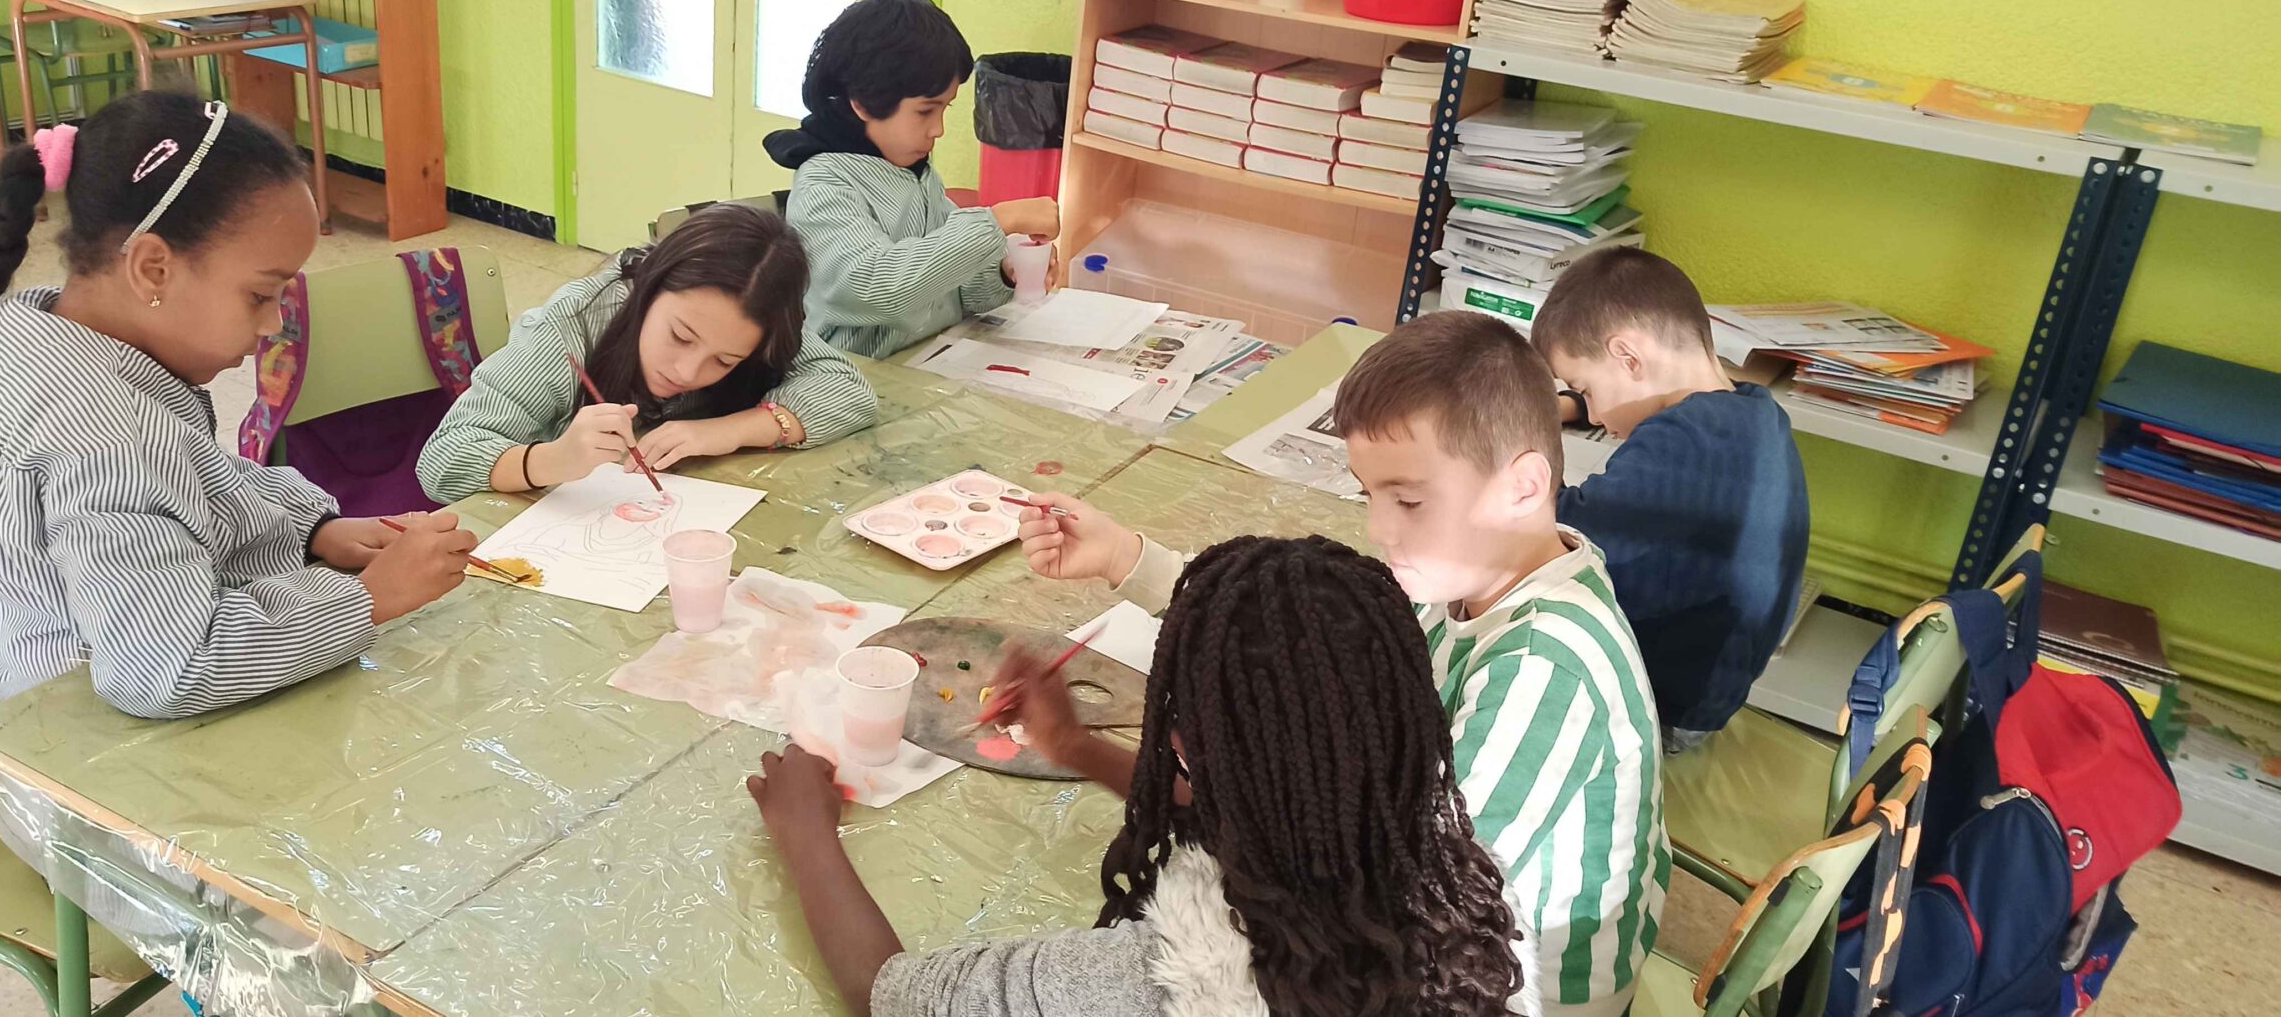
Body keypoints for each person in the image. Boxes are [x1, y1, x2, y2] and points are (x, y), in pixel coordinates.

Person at [1016, 312, 1669, 1017]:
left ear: (1523, 486)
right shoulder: (1478, 570)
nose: (1380, 530)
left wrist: (1093, 753)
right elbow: (1281, 632)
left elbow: (1382, 880)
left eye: (1408, 499)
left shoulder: (1545, 673)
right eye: (1369, 493)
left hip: (1519, 991)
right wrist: (1122, 556)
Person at [748, 536, 1538, 1017]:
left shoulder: (1146, 983)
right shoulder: (1466, 905)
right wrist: (1076, 746)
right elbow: (1273, 808)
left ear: (1185, 739)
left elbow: (892, 994)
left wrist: (807, 835)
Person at [0, 91, 477, 719]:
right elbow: (169, 669)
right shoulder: (109, 432)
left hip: (49, 707)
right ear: (153, 269)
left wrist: (312, 531)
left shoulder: (39, 334)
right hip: (98, 748)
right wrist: (370, 599)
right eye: (260, 295)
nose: (273, 324)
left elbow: (193, 477)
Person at [1530, 248, 1810, 750]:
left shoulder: (1685, 441)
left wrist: (1505, 436)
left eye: (1585, 389)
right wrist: (1567, 405)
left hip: (1654, 713)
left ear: (1629, 357)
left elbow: (1549, 528)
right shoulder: (1752, 413)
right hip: (1705, 695)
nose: (1597, 417)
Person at [417, 204, 876, 502]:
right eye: (680, 336)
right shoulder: (573, 325)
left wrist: (727, 431)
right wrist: (553, 459)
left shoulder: (752, 324)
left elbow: (848, 391)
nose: (688, 371)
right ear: (650, 285)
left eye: (725, 361)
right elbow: (444, 458)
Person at [765, 0, 1061, 360]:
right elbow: (878, 288)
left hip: (929, 362)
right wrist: (998, 221)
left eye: (944, 109)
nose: (938, 129)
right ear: (864, 101)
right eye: (925, 111)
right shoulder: (825, 186)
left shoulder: (916, 173)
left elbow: (953, 287)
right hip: (855, 375)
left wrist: (1004, 271)